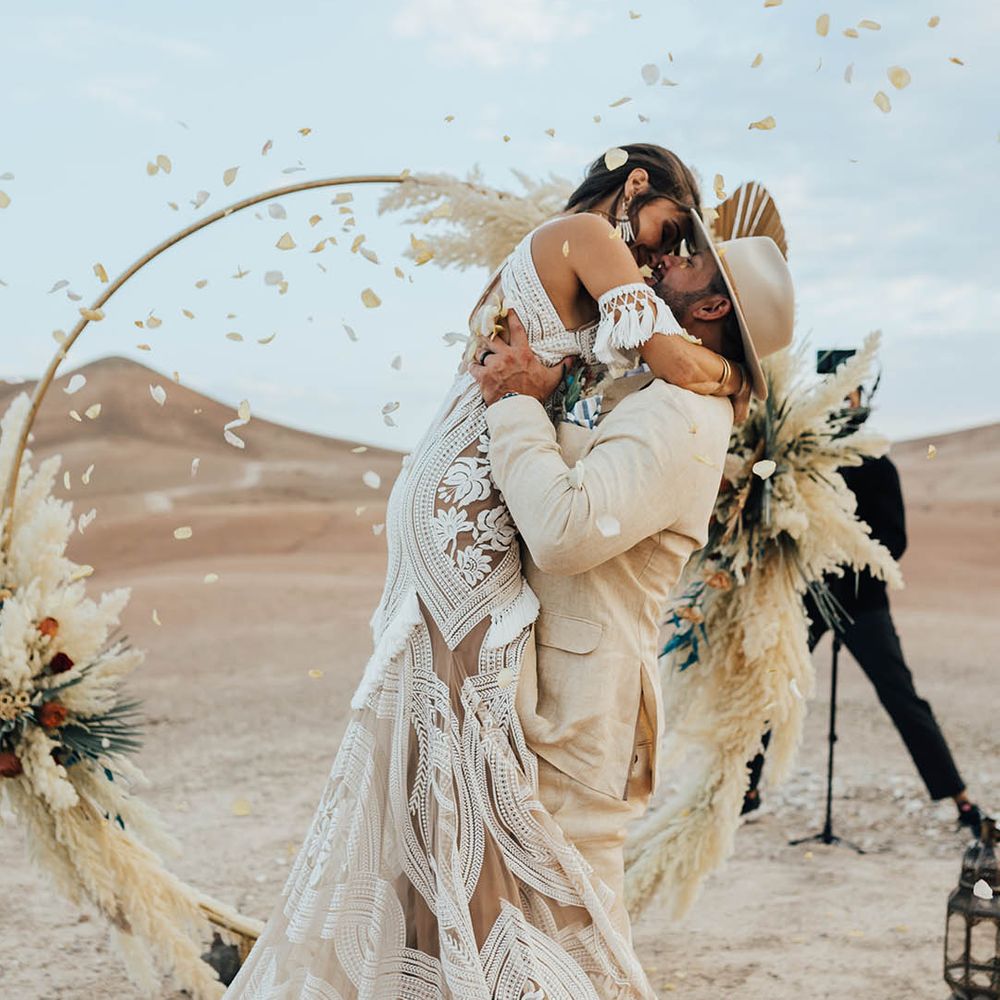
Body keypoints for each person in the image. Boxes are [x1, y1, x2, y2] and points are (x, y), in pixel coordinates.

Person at [222, 143, 762, 1000]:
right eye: (671, 230)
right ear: (634, 187)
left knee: (464, 742)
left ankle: (440, 938)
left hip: (459, 480)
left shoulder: (578, 260)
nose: (663, 254)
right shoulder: (588, 238)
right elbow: (670, 358)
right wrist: (736, 373)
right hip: (468, 488)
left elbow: (609, 409)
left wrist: (718, 370)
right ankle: (456, 933)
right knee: (463, 734)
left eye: (678, 248)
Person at [469, 222, 794, 949]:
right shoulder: (655, 391)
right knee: (529, 931)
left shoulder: (681, 416)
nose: (664, 261)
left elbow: (563, 530)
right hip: (560, 694)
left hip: (582, 710)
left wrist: (515, 407)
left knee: (578, 935)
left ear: (711, 309)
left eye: (689, 260)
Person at [741, 361, 989, 833]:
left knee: (900, 695)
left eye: (849, 397)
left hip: (864, 605)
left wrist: (845, 555)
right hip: (810, 597)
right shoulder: (805, 465)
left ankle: (959, 798)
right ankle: (745, 790)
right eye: (835, 397)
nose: (842, 407)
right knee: (773, 691)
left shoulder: (877, 465)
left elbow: (894, 542)